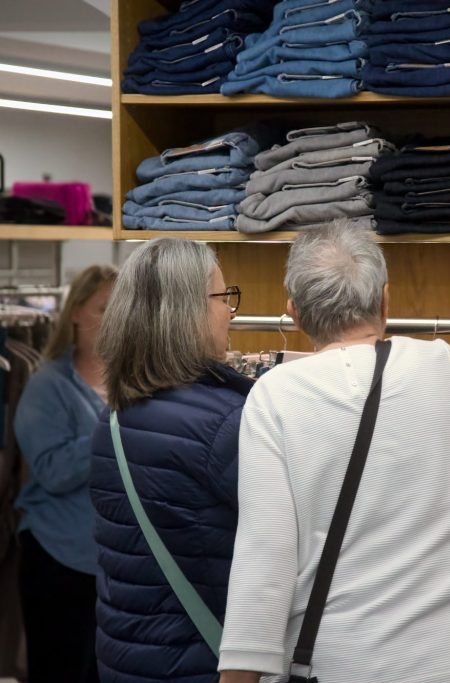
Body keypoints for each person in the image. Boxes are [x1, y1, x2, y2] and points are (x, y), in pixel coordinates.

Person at [218, 222, 450, 683]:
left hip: (345, 666)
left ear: (295, 313)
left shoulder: (274, 395)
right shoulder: (442, 365)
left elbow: (265, 562)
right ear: (385, 300)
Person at [90, 238, 252, 683]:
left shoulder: (113, 417)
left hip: (127, 656)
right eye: (222, 297)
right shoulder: (225, 425)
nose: (230, 312)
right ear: (186, 312)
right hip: (196, 663)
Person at [14, 264, 118, 683]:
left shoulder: (132, 382)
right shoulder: (47, 385)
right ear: (75, 312)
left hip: (114, 566)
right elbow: (54, 471)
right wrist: (116, 427)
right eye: (103, 309)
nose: (112, 320)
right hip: (59, 560)